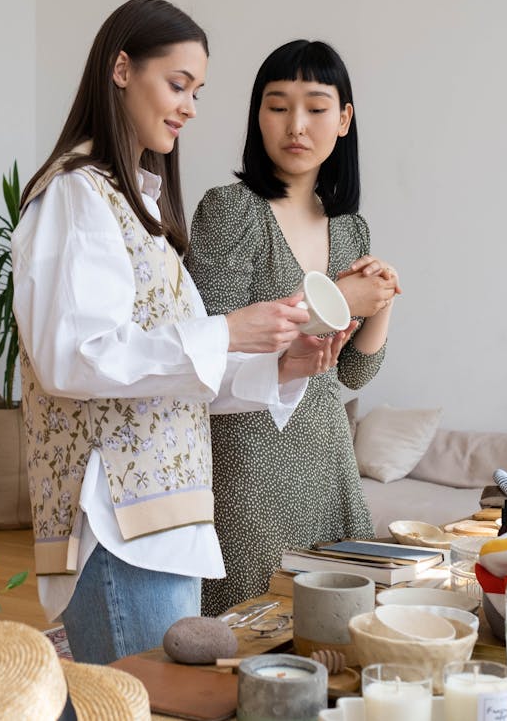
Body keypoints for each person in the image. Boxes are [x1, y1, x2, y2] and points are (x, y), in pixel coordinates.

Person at [12, 0, 353, 665]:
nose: (190, 107)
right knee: (139, 703)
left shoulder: (138, 207)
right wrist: (227, 330)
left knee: (145, 700)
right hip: (119, 524)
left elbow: (173, 380)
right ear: (120, 70)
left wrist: (282, 366)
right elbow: (76, 359)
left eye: (197, 91)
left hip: (165, 521)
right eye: (178, 84)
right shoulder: (76, 194)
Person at [187, 39, 400, 616]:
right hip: (248, 457)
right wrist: (342, 299)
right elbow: (212, 343)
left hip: (328, 457)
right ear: (258, 116)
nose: (296, 125)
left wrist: (381, 301)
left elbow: (352, 373)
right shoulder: (230, 211)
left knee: (339, 626)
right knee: (249, 627)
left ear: (344, 119)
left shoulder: (351, 228)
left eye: (316, 107)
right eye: (278, 106)